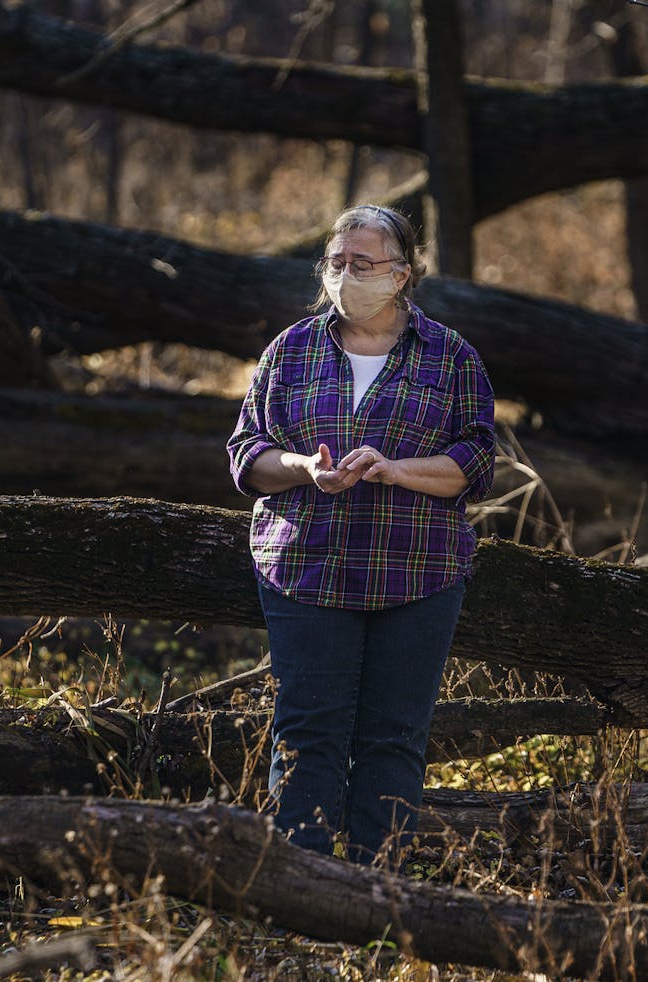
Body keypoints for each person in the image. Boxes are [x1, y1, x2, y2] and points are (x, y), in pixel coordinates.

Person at [226, 204, 495, 866]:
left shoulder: (451, 358)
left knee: (395, 735)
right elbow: (245, 454)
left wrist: (396, 470)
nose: (347, 276)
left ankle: (381, 891)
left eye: (364, 264)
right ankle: (302, 885)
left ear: (403, 275)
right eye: (336, 263)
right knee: (307, 730)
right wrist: (302, 468)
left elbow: (477, 460)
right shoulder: (289, 351)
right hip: (305, 570)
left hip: (418, 573)